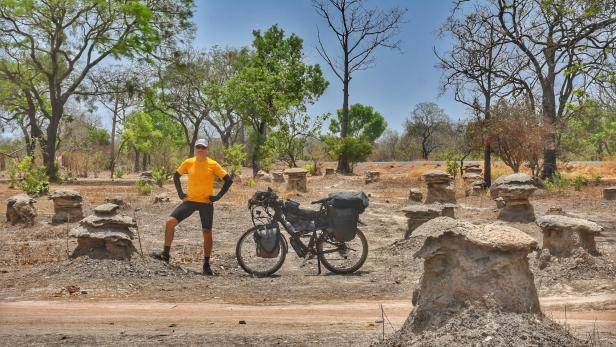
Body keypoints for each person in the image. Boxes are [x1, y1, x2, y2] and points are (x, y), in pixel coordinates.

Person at [152, 139, 233, 275]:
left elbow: (228, 180)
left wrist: (218, 197)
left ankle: (206, 265)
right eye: (198, 147)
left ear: (207, 149)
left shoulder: (213, 164)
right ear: (195, 148)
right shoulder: (189, 162)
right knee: (170, 222)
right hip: (190, 201)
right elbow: (176, 176)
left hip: (206, 203)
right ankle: (165, 254)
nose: (200, 149)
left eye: (203, 147)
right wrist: (180, 193)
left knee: (207, 232)